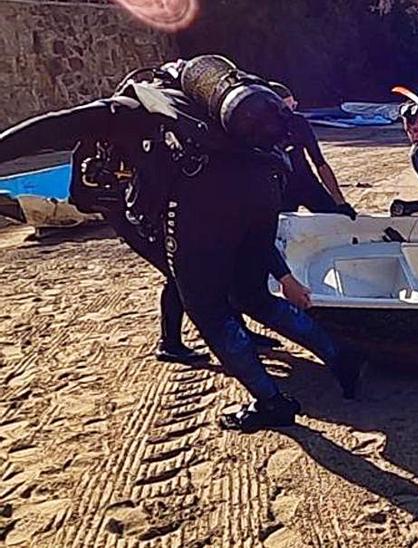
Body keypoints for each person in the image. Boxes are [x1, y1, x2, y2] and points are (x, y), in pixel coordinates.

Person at [0, 55, 361, 432]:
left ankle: (271, 402)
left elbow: (46, 130)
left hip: (203, 205)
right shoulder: (213, 115)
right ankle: (340, 356)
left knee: (208, 310)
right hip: (263, 189)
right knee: (253, 294)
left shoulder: (132, 106)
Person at [266, 82, 357, 219]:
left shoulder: (298, 123)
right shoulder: (259, 130)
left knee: (337, 218)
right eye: (287, 108)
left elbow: (319, 162)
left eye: (293, 106)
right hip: (280, 190)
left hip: (306, 183)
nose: (290, 113)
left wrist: (340, 201)